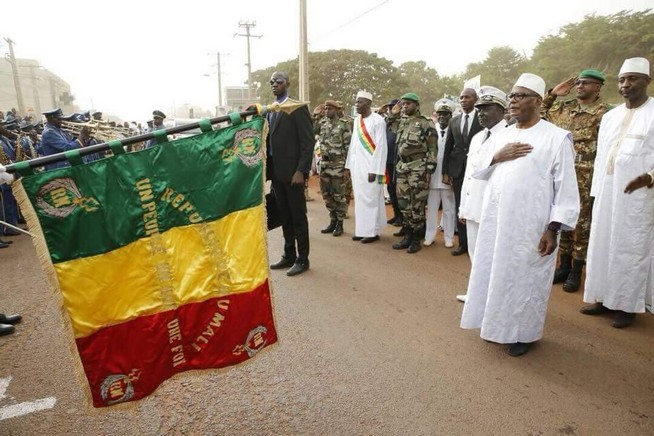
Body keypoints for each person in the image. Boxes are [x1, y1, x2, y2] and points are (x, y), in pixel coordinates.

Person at [460, 73, 580, 357]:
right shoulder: (502, 134)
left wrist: (553, 228)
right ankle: (495, 327)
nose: (512, 101)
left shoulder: (556, 138)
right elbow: (477, 167)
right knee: (495, 274)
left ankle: (524, 333)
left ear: (538, 101)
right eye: (511, 95)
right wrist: (498, 156)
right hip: (496, 222)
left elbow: (566, 188)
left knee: (526, 279)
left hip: (531, 226)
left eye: (520, 95)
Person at [582, 57, 654, 327]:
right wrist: (595, 192)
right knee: (602, 243)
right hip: (607, 192)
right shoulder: (610, 117)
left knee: (630, 248)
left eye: (632, 78)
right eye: (622, 80)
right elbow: (602, 158)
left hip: (639, 196)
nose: (626, 84)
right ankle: (601, 297)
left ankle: (626, 305)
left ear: (647, 80)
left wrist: (650, 177)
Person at [542, 69, 612, 293]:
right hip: (563, 170)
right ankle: (564, 265)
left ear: (598, 87)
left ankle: (576, 270)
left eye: (586, 83)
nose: (580, 86)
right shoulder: (564, 107)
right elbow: (539, 113)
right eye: (578, 83)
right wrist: (553, 93)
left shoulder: (606, 112)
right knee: (562, 215)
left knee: (582, 223)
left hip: (588, 172)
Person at [456, 86, 509, 303]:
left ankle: (492, 298)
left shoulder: (509, 135)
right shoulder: (478, 137)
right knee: (475, 252)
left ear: (502, 110)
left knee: (493, 256)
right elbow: (469, 174)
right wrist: (463, 206)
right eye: (479, 109)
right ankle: (477, 294)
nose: (481, 113)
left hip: (493, 208)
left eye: (487, 109)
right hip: (473, 204)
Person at [266, 71, 315, 276]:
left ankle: (303, 259)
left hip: (293, 174)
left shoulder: (297, 107)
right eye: (271, 82)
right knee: (284, 216)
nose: (274, 84)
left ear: (287, 83)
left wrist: (301, 171)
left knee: (298, 217)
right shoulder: (270, 110)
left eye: (278, 81)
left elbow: (307, 141)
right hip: (277, 174)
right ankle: (289, 255)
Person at [386, 93, 437, 253]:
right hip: (403, 168)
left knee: (417, 205)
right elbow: (389, 125)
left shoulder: (425, 123)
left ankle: (416, 238)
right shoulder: (402, 122)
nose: (405, 106)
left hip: (418, 169)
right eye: (404, 104)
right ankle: (407, 236)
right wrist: (393, 113)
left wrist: (429, 171)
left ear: (416, 105)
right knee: (404, 204)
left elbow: (433, 149)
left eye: (408, 103)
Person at [442, 88, 483, 256]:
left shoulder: (483, 119)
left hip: (478, 170)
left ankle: (478, 245)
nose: (463, 100)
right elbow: (448, 147)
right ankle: (463, 244)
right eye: (461, 97)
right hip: (458, 171)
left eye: (467, 97)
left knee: (478, 206)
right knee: (461, 206)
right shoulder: (454, 121)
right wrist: (445, 172)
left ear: (475, 99)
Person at [345, 91, 388, 243]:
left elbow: (381, 147)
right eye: (356, 101)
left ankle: (372, 232)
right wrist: (348, 166)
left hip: (370, 167)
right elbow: (353, 144)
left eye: (360, 102)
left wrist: (375, 170)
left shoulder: (378, 120)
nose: (356, 104)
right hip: (357, 166)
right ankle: (362, 229)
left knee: (370, 198)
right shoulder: (357, 120)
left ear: (369, 104)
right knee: (360, 198)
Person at [424, 99, 456, 248]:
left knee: (449, 209)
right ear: (436, 115)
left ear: (451, 115)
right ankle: (430, 235)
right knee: (431, 208)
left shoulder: (455, 130)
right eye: (440, 114)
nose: (442, 117)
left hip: (447, 176)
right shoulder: (430, 129)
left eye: (446, 114)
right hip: (433, 175)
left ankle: (448, 237)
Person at [317, 100, 352, 237]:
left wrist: (347, 168)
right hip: (325, 164)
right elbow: (311, 129)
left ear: (337, 110)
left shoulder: (344, 125)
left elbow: (348, 147)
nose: (327, 111)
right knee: (327, 195)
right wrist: (315, 116)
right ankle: (332, 220)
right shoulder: (323, 124)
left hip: (338, 165)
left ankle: (340, 224)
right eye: (325, 109)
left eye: (330, 109)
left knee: (339, 195)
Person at [378, 99, 402, 227]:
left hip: (398, 161)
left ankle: (402, 217)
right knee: (390, 189)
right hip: (387, 160)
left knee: (399, 190)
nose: (392, 109)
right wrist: (380, 112)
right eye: (390, 107)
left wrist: (393, 114)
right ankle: (396, 214)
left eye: (395, 107)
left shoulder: (402, 120)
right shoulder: (387, 121)